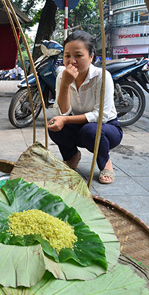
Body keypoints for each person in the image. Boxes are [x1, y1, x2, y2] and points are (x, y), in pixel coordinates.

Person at [47, 31, 123, 184]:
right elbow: (62, 112)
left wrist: (66, 119)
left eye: (78, 55)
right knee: (53, 126)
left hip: (106, 128)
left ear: (91, 57)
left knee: (90, 130)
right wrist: (65, 84)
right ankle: (71, 156)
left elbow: (101, 115)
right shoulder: (62, 75)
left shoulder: (102, 76)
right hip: (77, 127)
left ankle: (105, 162)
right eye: (67, 56)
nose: (71, 61)